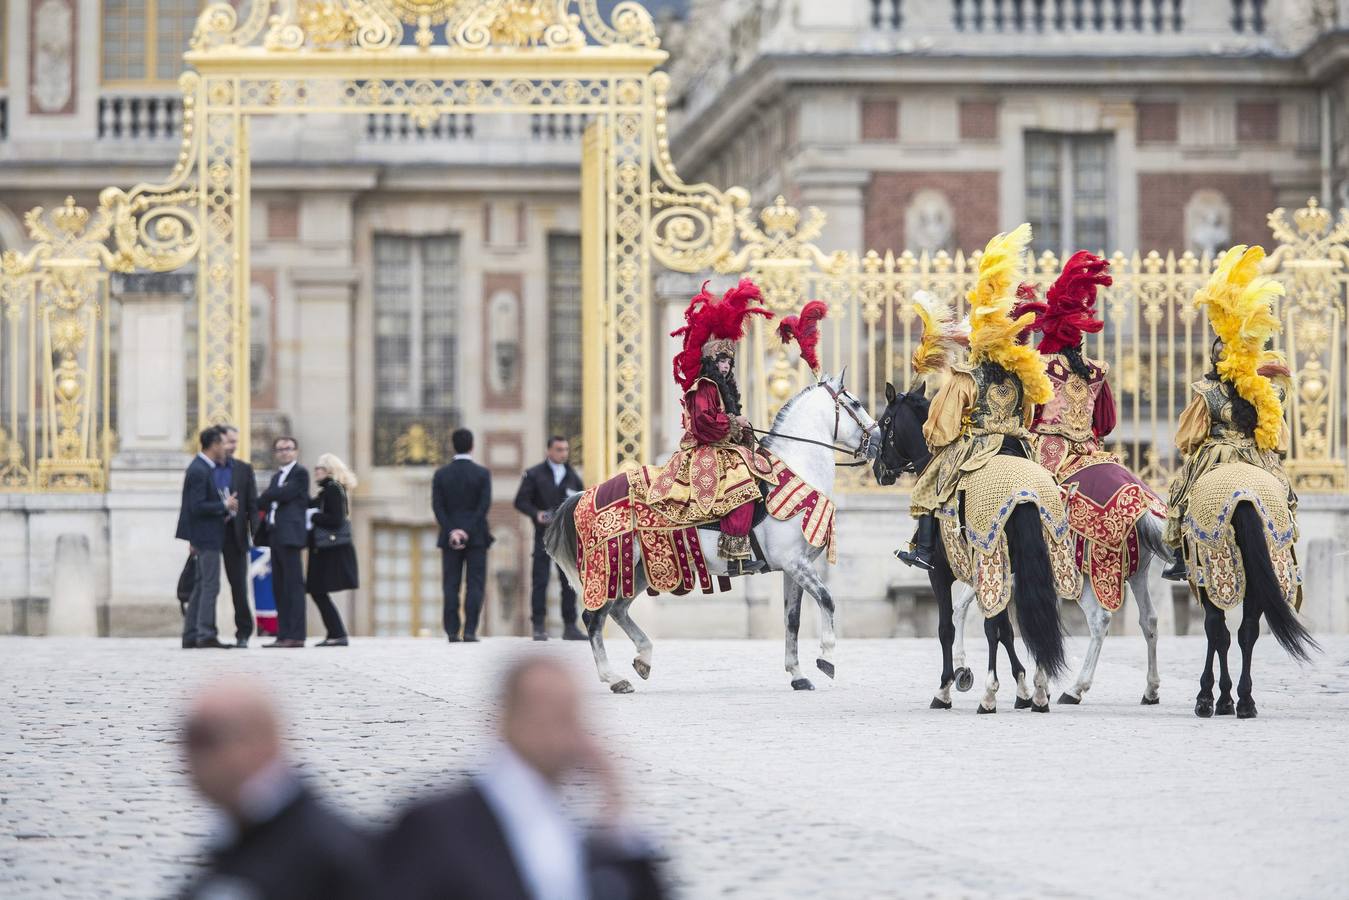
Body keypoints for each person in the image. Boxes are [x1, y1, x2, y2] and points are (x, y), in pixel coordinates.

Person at [380, 656, 666, 900]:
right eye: (542, 718)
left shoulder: (578, 833)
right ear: (503, 720)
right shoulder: (434, 824)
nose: (557, 737)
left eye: (568, 718)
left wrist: (614, 809)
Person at [895, 224, 1054, 568]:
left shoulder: (966, 377)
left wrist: (935, 442)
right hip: (1019, 447)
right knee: (1052, 482)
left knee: (929, 485)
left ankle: (922, 550)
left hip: (978, 448)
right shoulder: (1020, 375)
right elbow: (1027, 417)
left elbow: (942, 429)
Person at [1163, 244, 1297, 582]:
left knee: (1181, 489)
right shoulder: (1264, 390)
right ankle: (1288, 545)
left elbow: (1189, 438)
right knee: (1285, 493)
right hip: (1255, 456)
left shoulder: (1206, 391)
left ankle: (1179, 556)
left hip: (1216, 455)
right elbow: (1278, 440)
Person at [179, 679, 378, 900]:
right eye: (186, 740)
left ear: (264, 743)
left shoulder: (325, 851)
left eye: (206, 740)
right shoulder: (238, 828)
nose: (193, 758)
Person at [641, 279, 775, 575]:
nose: (726, 365)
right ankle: (732, 553)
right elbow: (704, 423)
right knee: (740, 483)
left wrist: (744, 428)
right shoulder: (704, 386)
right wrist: (732, 422)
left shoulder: (723, 388)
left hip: (723, 447)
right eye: (721, 359)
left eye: (729, 360)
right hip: (705, 449)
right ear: (711, 361)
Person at [515, 436, 585, 641]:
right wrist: (536, 513)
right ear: (549, 451)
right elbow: (520, 501)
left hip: (566, 539)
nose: (564, 453)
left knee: (568, 581)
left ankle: (570, 626)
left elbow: (582, 500)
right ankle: (538, 625)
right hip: (543, 537)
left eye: (566, 449)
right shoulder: (534, 474)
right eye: (559, 449)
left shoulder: (573, 476)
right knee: (540, 581)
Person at [176, 426, 238, 649]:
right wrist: (225, 505)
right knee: (210, 585)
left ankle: (192, 633)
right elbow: (197, 506)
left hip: (204, 534)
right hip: (206, 535)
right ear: (213, 445)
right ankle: (205, 633)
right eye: (223, 443)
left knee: (201, 585)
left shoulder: (203, 467)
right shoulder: (200, 469)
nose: (226, 448)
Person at [432, 428, 493, 642]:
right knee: (475, 585)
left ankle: (451, 631)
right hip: (476, 537)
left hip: (450, 538)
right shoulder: (482, 474)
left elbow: (438, 508)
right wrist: (466, 531)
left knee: (451, 585)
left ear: (453, 445)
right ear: (472, 446)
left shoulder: (441, 474)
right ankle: (469, 631)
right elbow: (483, 507)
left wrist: (453, 531)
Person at [259, 436, 309, 648]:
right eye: (279, 450)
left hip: (291, 536)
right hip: (275, 535)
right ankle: (283, 633)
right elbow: (266, 500)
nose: (284, 453)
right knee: (279, 586)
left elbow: (286, 494)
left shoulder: (300, 473)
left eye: (288, 449)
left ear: (296, 451)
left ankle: (296, 635)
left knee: (293, 586)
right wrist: (270, 495)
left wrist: (270, 494)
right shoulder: (276, 476)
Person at [306, 453, 358, 647]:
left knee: (318, 590)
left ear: (329, 470)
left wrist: (314, 517)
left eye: (319, 468)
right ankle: (335, 632)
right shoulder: (327, 490)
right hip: (325, 548)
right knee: (317, 590)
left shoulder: (333, 489)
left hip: (329, 548)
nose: (316, 472)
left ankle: (337, 633)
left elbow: (336, 519)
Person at [219, 425, 259, 648]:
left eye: (235, 441)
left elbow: (252, 505)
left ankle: (243, 632)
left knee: (239, 586)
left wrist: (256, 533)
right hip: (212, 533)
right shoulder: (208, 468)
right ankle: (201, 630)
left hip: (235, 535)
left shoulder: (244, 469)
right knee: (206, 584)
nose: (232, 446)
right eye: (228, 441)